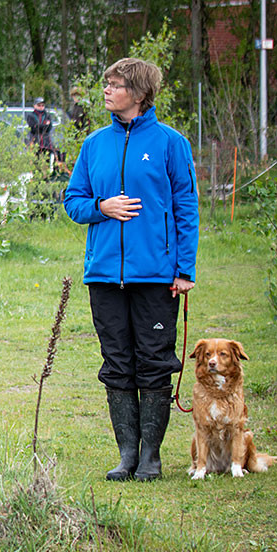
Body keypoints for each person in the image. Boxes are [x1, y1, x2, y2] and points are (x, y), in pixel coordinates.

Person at [63, 57, 199, 482]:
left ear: (138, 94)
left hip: (156, 276)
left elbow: (186, 208)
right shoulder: (94, 145)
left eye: (115, 84)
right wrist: (100, 208)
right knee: (116, 361)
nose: (106, 90)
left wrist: (184, 268)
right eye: (106, 83)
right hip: (104, 275)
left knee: (154, 362)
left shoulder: (170, 144)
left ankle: (152, 456)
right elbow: (73, 201)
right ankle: (127, 455)